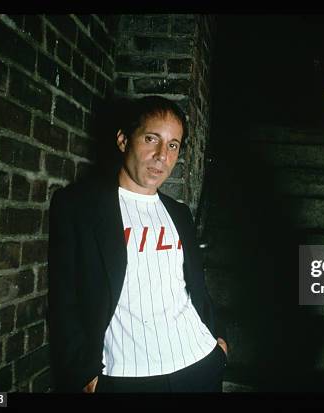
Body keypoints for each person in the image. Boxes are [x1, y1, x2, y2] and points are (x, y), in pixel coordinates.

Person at [48, 95, 227, 393]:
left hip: (200, 364)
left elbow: (195, 285)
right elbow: (63, 295)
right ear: (123, 140)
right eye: (150, 138)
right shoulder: (80, 205)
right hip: (126, 377)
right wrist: (83, 372)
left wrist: (218, 341)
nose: (161, 155)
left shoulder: (179, 214)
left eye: (173, 145)